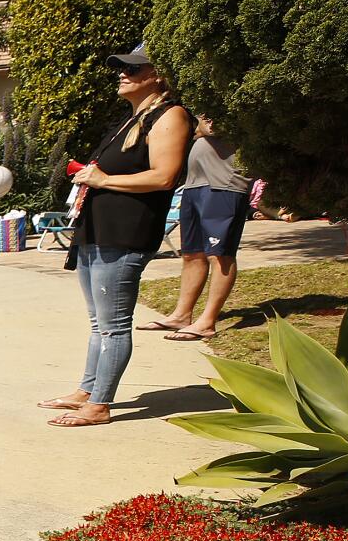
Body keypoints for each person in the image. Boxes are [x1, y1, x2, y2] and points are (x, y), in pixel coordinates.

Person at [38, 42, 193, 427]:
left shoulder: (170, 116)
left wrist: (105, 179)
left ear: (157, 76)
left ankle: (99, 405)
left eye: (135, 69)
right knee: (98, 322)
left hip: (125, 233)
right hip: (97, 229)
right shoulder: (133, 117)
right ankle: (87, 390)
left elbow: (164, 175)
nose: (124, 74)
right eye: (122, 68)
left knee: (113, 324)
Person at [138, 114, 252, 341]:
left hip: (225, 185)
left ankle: (207, 322)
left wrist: (198, 125)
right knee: (192, 254)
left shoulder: (230, 102)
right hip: (195, 184)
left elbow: (211, 128)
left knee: (220, 255)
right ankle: (181, 315)